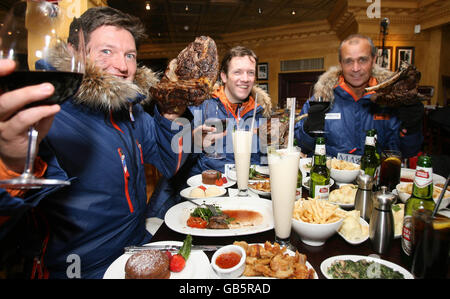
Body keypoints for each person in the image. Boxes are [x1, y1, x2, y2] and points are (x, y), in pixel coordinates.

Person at [1, 7, 190, 279]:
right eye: (106, 51)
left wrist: (171, 116)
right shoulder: (48, 113)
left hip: (135, 251)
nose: (123, 66)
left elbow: (168, 162)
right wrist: (10, 163)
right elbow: (14, 226)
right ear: (74, 51)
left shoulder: (132, 111)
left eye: (130, 55)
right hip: (77, 269)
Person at [147, 46, 272, 218]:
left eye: (250, 73)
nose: (245, 79)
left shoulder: (261, 113)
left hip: (246, 201)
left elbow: (262, 165)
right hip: (203, 201)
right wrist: (193, 143)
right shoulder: (197, 107)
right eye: (238, 72)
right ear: (223, 76)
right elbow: (168, 156)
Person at [295, 34, 423, 160]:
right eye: (348, 61)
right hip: (330, 178)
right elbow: (302, 147)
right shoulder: (321, 98)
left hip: (375, 177)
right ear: (341, 63)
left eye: (362, 60)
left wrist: (412, 128)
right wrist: (308, 130)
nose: (355, 68)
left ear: (373, 60)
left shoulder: (390, 100)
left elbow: (407, 151)